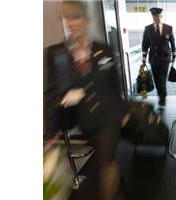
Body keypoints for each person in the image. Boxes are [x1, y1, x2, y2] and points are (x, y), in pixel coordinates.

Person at [43, 0, 129, 199]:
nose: (71, 23)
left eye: (76, 17)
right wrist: (51, 131)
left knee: (106, 163)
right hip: (84, 120)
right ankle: (117, 179)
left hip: (109, 117)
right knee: (105, 160)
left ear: (87, 20)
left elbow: (115, 84)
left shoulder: (103, 50)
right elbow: (51, 94)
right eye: (67, 18)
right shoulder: (57, 54)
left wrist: (123, 110)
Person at [141, 7, 176, 110]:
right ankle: (160, 94)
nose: (156, 18)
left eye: (157, 16)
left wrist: (174, 55)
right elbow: (145, 44)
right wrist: (144, 56)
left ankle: (163, 97)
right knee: (156, 79)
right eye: (154, 16)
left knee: (162, 80)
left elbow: (172, 42)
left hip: (165, 58)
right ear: (152, 17)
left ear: (161, 16)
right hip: (153, 58)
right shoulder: (148, 29)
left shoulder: (168, 28)